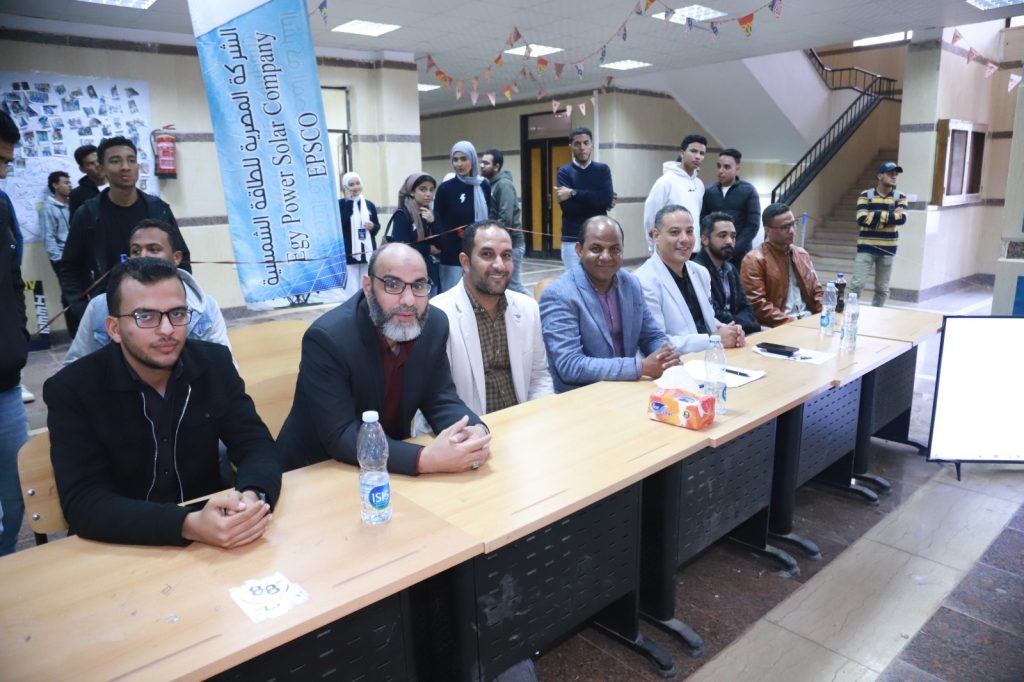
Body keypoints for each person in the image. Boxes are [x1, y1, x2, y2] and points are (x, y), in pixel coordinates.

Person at [43, 257, 281, 547]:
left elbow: (256, 445)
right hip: (119, 546)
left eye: (177, 313)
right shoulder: (72, 389)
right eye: (146, 316)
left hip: (211, 538)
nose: (167, 329)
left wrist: (252, 498)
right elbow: (84, 502)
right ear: (114, 328)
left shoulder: (213, 364)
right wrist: (187, 525)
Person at [277, 242, 492, 475]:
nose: (408, 300)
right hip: (315, 470)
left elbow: (440, 397)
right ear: (368, 287)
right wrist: (424, 459)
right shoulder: (328, 339)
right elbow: (341, 434)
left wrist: (475, 431)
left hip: (389, 464)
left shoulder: (433, 325)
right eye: (393, 285)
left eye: (418, 285)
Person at [60, 136, 191, 341]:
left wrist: (179, 299)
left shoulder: (158, 209)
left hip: (157, 311)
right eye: (115, 161)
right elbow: (69, 267)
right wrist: (82, 309)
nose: (125, 167)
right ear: (102, 168)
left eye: (131, 160)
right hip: (110, 315)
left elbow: (181, 258)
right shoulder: (88, 214)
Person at [540, 216, 679, 393]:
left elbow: (651, 335)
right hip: (582, 396)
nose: (606, 257)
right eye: (596, 249)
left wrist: (665, 355)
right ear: (579, 250)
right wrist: (640, 367)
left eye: (614, 249)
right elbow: (570, 365)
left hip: (627, 389)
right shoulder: (559, 294)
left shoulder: (631, 284)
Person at [64, 219, 230, 366]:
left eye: (154, 249)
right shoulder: (100, 307)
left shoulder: (206, 308)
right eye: (136, 251)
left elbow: (224, 368)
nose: (143, 256)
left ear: (176, 258)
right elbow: (74, 367)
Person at [428, 220, 552, 417]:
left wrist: (537, 420)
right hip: (467, 427)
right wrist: (476, 430)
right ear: (465, 262)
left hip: (525, 423)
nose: (499, 265)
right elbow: (434, 398)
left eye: (506, 255)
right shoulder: (437, 315)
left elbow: (539, 377)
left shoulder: (528, 308)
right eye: (487, 254)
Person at [635, 205, 744, 354]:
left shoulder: (700, 272)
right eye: (675, 232)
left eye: (689, 231)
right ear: (656, 236)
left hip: (710, 357)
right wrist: (713, 339)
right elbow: (657, 343)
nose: (684, 239)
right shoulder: (643, 280)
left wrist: (730, 331)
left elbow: (706, 321)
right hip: (676, 364)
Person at [0, 110, 28, 555]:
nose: (3, 172)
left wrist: (16, 340)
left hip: (6, 384)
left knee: (19, 492)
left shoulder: (2, 205)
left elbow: (13, 277)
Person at [741, 203, 824, 328]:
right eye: (785, 227)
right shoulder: (754, 260)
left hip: (808, 319)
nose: (792, 231)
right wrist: (793, 323)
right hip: (778, 325)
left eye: (793, 224)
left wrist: (825, 314)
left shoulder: (802, 254)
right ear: (767, 230)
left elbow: (817, 291)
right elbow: (758, 304)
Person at [433, 141, 491, 293]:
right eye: (455, 159)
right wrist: (439, 244)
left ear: (473, 160)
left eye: (464, 159)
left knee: (478, 294)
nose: (459, 164)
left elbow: (489, 218)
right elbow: (438, 220)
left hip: (477, 249)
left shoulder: (483, 185)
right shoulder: (445, 188)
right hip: (451, 254)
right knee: (451, 295)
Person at [555, 127, 614, 269]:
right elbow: (569, 208)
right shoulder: (564, 172)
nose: (582, 148)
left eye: (586, 143)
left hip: (600, 237)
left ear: (591, 145)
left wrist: (573, 193)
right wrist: (596, 199)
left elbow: (606, 200)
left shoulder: (602, 170)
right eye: (577, 144)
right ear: (571, 147)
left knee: (599, 279)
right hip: (572, 239)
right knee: (574, 280)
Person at [694, 211, 761, 335]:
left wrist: (741, 327)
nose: (729, 241)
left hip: (738, 332)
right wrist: (752, 327)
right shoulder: (696, 270)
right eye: (722, 235)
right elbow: (714, 315)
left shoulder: (731, 268)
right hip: (714, 336)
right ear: (705, 239)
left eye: (733, 236)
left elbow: (747, 308)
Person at [853, 161, 907, 307]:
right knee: (856, 286)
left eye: (896, 174)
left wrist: (875, 214)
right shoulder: (866, 195)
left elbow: (902, 219)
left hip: (888, 249)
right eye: (890, 173)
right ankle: (850, 312)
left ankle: (877, 314)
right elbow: (862, 219)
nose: (894, 176)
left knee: (882, 289)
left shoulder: (900, 197)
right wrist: (890, 217)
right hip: (866, 247)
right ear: (880, 176)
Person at [643, 134, 707, 254]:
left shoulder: (699, 184)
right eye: (693, 151)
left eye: (701, 153)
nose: (698, 156)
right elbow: (651, 218)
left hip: (693, 250)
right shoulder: (665, 182)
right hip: (670, 250)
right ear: (682, 153)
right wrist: (653, 250)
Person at [700, 148, 761, 267]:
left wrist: (732, 248)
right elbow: (703, 221)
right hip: (713, 254)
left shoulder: (749, 191)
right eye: (719, 166)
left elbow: (752, 226)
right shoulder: (709, 191)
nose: (721, 171)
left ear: (737, 168)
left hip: (739, 256)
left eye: (726, 167)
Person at [480, 148, 528, 295]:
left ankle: (536, 307)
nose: (482, 166)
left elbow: (506, 218)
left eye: (486, 163)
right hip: (500, 244)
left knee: (513, 285)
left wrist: (493, 238)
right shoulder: (489, 185)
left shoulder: (504, 185)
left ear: (497, 166)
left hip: (512, 244)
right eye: (482, 162)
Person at [389, 172, 440, 294]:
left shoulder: (431, 214)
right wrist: (429, 249)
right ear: (412, 192)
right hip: (408, 275)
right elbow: (403, 246)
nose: (428, 194)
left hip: (430, 273)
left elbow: (443, 245)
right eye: (423, 189)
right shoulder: (402, 214)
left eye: (431, 190)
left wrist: (433, 223)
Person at [339, 171, 380, 298]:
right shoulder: (341, 204)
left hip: (366, 252)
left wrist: (373, 227)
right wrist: (349, 202)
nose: (355, 187)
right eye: (351, 185)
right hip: (350, 253)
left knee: (367, 287)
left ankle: (366, 307)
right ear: (345, 187)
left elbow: (377, 227)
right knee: (351, 289)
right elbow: (341, 224)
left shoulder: (369, 205)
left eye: (357, 183)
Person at [40, 170, 72, 272]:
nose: (70, 186)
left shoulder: (72, 204)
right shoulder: (48, 208)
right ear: (55, 185)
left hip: (77, 256)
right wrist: (58, 260)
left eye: (70, 182)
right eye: (66, 183)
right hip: (62, 259)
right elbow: (48, 237)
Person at [67, 143, 106, 220]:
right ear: (82, 169)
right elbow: (76, 223)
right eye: (91, 163)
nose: (97, 165)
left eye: (99, 160)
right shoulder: (77, 195)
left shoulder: (119, 183)